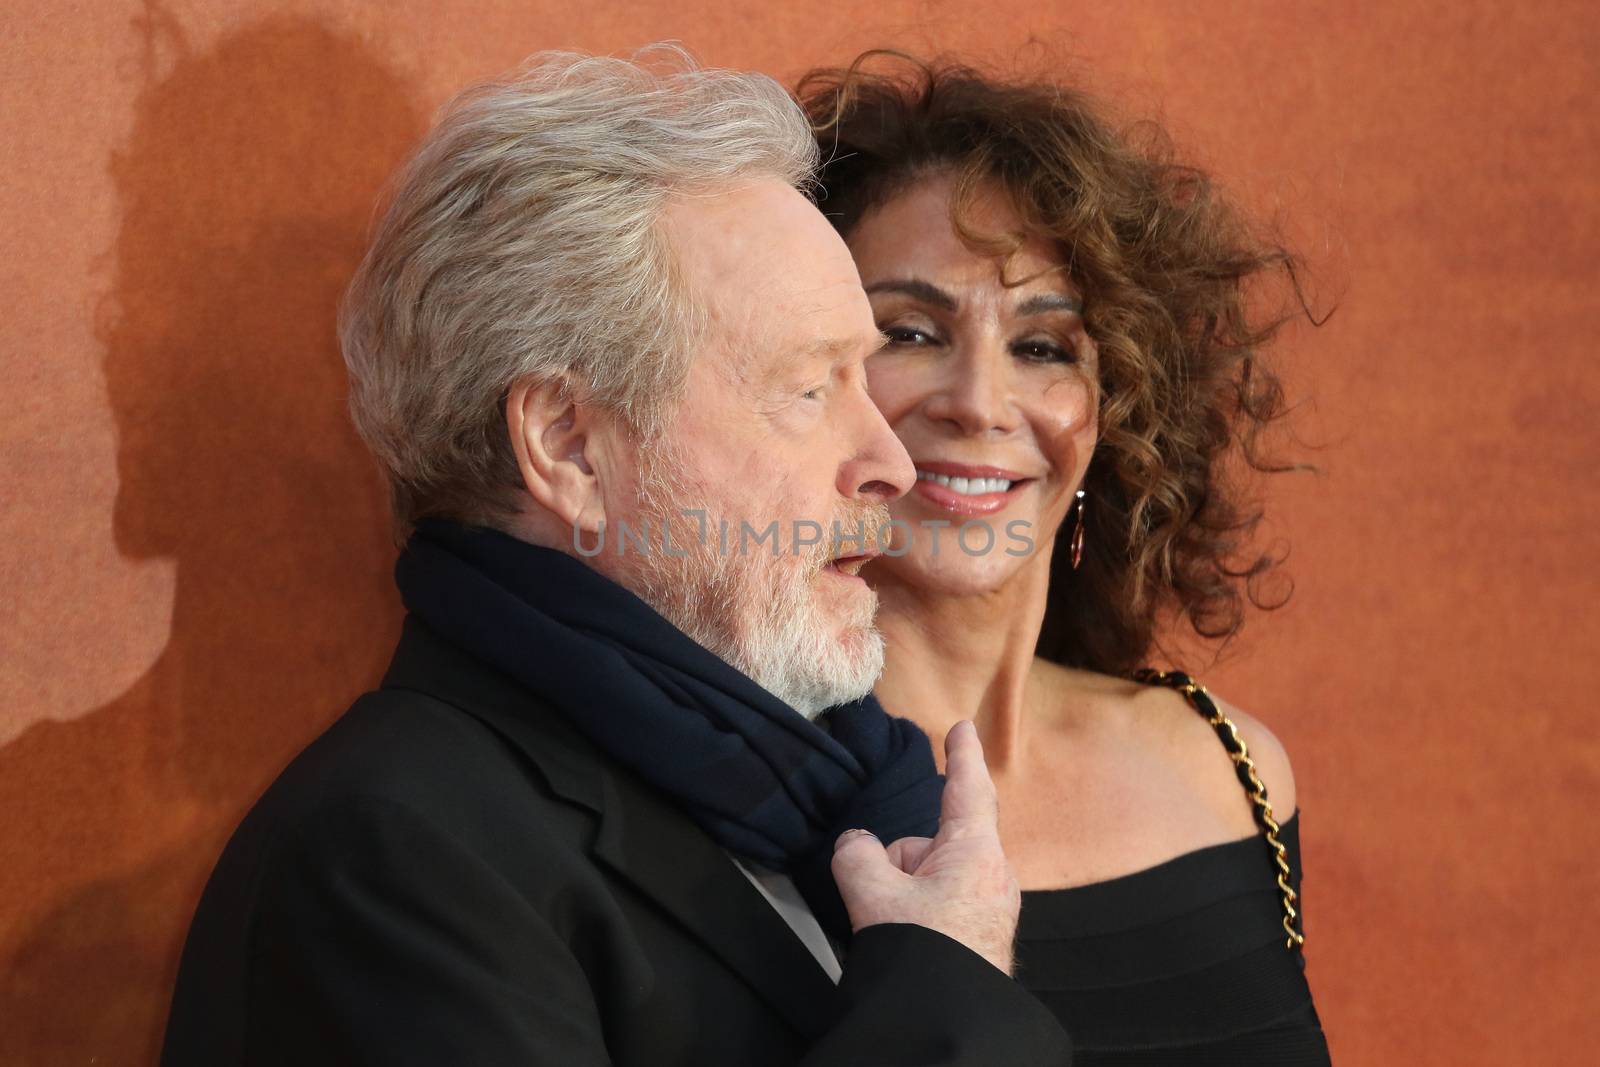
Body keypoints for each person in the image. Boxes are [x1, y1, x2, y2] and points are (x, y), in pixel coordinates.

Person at [158, 50, 1072, 1066]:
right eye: (809, 389)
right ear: (567, 445)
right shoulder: (389, 858)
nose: (888, 461)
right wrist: (950, 988)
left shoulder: (839, 790)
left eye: (864, 373)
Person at [799, 54, 1333, 1062]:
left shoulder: (1230, 767)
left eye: (1043, 346)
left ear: (1113, 410)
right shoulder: (731, 797)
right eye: (909, 330)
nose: (979, 401)